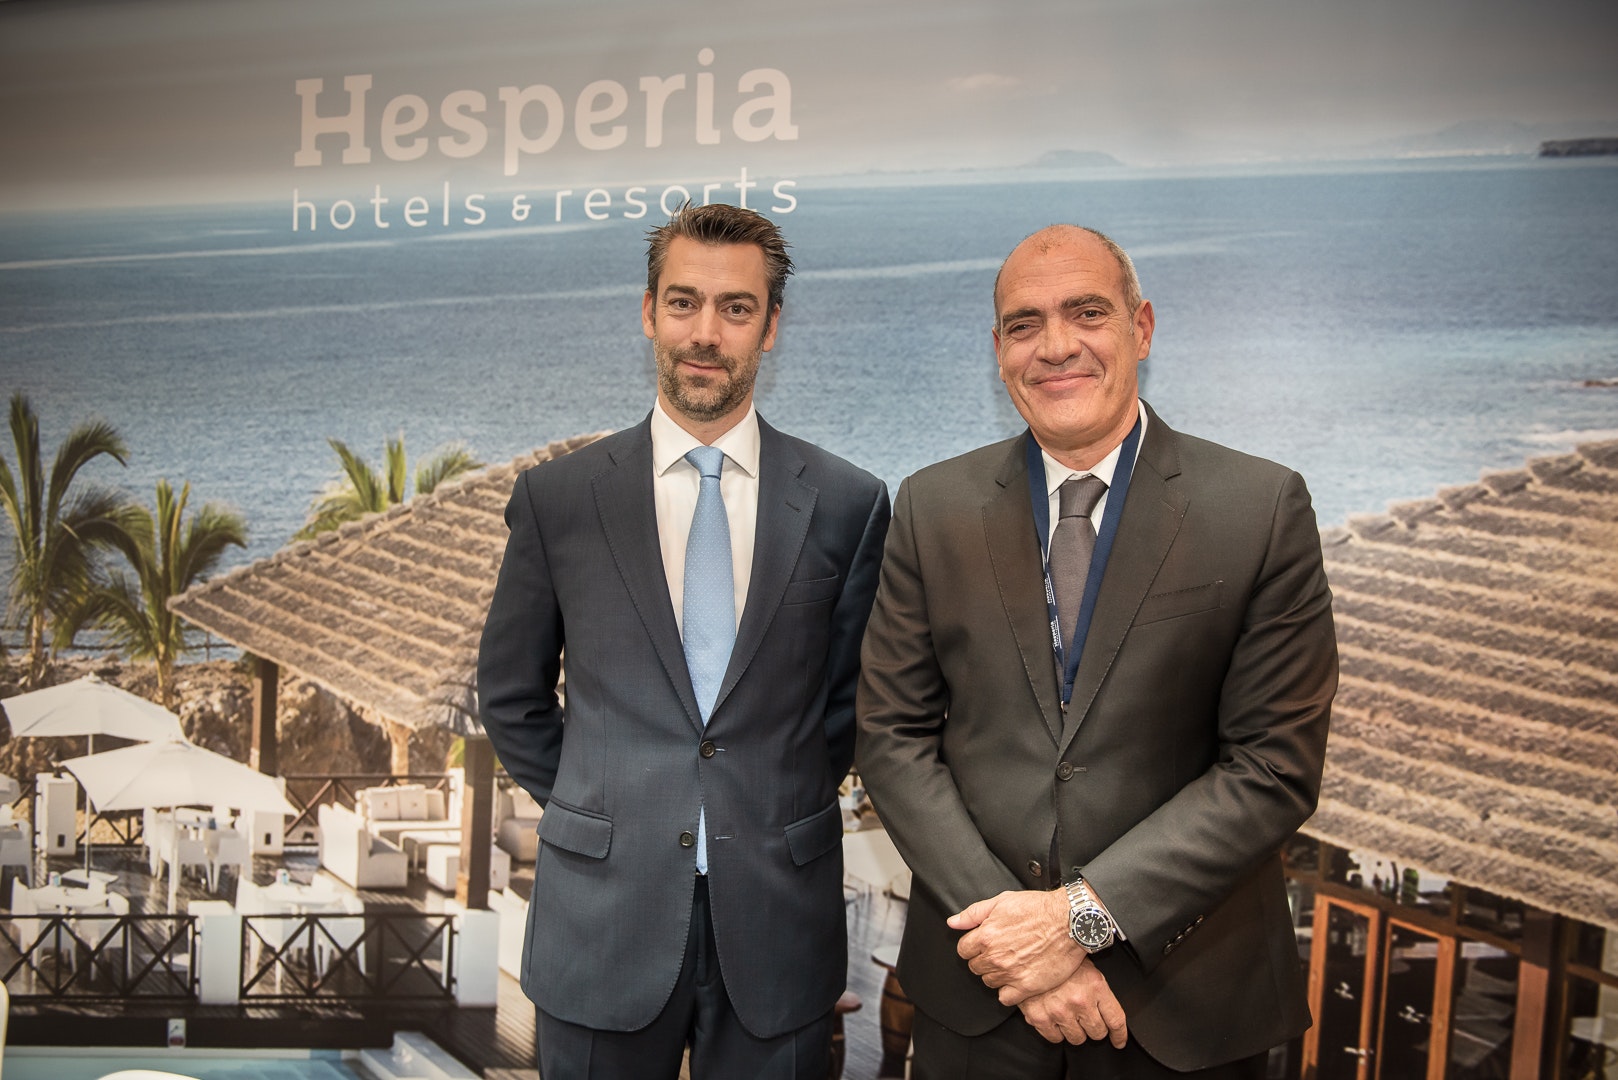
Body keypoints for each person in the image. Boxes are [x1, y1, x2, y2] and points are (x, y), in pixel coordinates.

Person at [856, 224, 1337, 1078]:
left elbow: (1273, 766)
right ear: (999, 350)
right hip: (978, 998)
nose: (1056, 346)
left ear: (1140, 328)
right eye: (1025, 324)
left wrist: (1077, 921)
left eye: (1087, 313)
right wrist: (1016, 940)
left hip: (1179, 1006)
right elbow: (892, 738)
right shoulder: (932, 508)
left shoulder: (1260, 509)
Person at [477, 201, 890, 1080]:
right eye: (683, 302)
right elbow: (511, 696)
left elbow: (847, 706)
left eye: (736, 308)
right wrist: (604, 807)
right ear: (648, 312)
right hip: (601, 924)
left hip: (778, 925)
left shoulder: (848, 503)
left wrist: (764, 802)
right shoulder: (560, 500)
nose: (706, 333)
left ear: (770, 327)